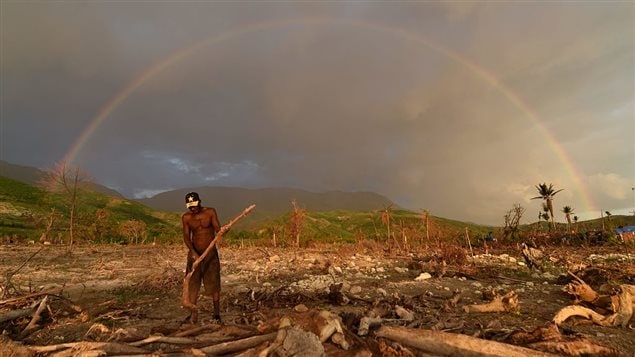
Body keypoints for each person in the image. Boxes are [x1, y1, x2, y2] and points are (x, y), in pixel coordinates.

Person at [182, 192, 222, 323]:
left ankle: (216, 314)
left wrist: (222, 231)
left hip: (210, 253)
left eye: (194, 205)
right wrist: (193, 252)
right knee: (193, 283)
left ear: (199, 201)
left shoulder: (210, 212)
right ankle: (192, 312)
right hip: (194, 254)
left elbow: (217, 228)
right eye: (190, 206)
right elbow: (187, 237)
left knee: (214, 283)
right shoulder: (186, 217)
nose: (193, 209)